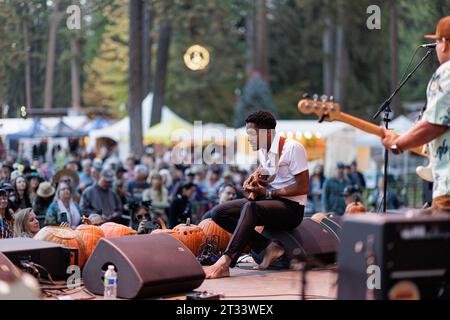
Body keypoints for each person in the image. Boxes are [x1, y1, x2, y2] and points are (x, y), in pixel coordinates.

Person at [205, 111, 309, 279]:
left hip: (292, 209)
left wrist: (269, 193)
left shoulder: (292, 148)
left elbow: (303, 186)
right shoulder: (263, 152)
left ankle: (225, 262)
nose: (248, 138)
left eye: (252, 134)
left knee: (250, 207)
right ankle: (268, 246)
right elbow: (266, 179)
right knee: (218, 213)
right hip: (271, 204)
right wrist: (253, 182)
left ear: (267, 133)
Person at [381, 16, 450, 213]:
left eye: (437, 41)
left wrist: (398, 143)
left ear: (444, 43)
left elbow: (434, 124)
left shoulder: (447, 72)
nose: (436, 47)